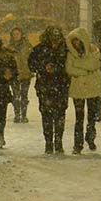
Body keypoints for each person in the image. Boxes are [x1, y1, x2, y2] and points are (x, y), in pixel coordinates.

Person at [28, 26, 70, 154]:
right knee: (47, 115)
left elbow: (71, 65)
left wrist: (58, 68)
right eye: (53, 38)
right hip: (45, 86)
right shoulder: (39, 49)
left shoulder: (66, 49)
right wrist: (43, 67)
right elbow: (31, 65)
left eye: (57, 38)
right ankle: (48, 142)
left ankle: (58, 142)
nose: (55, 41)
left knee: (60, 115)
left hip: (61, 86)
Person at [66, 27, 101, 153]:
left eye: (78, 41)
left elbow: (94, 65)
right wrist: (86, 70)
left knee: (92, 116)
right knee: (79, 118)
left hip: (93, 88)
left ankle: (90, 137)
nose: (76, 44)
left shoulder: (93, 50)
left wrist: (79, 67)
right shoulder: (71, 54)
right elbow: (69, 69)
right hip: (78, 89)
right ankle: (78, 144)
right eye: (74, 42)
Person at [6, 27, 33, 123]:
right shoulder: (9, 48)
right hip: (14, 74)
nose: (16, 36)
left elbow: (31, 59)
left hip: (25, 73)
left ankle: (24, 114)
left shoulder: (27, 46)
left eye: (18, 34)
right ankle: (17, 114)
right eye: (14, 34)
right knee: (16, 95)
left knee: (24, 95)